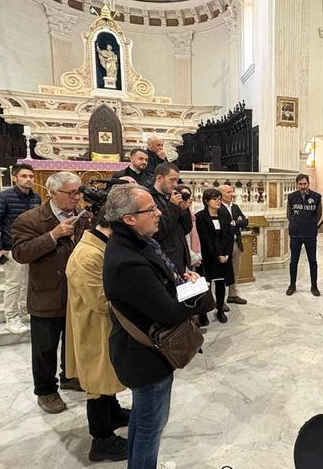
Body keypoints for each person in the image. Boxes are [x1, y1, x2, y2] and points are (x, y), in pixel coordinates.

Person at [103, 184, 200, 468]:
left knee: (143, 421)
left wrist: (178, 279)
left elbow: (158, 286)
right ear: (129, 218)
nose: (159, 212)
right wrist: (195, 292)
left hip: (143, 352)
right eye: (151, 209)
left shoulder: (138, 243)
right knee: (150, 428)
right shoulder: (127, 260)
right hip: (144, 357)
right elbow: (169, 312)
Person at [11, 171, 92, 414]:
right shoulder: (30, 219)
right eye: (72, 193)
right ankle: (45, 391)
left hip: (77, 292)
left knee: (74, 341)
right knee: (45, 348)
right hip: (47, 294)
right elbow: (21, 253)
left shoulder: (84, 217)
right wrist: (53, 235)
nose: (77, 197)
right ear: (53, 193)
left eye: (79, 192)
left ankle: (70, 376)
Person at [65, 210, 130, 462]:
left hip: (103, 325)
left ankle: (112, 413)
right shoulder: (87, 255)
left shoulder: (101, 245)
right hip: (93, 326)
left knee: (106, 377)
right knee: (97, 381)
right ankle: (101, 438)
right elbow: (101, 300)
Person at [0, 163, 41, 334]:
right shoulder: (3, 196)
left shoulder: (36, 197)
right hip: (12, 247)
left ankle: (24, 311)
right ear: (15, 178)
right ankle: (11, 317)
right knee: (14, 284)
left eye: (31, 176)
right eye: (24, 176)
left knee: (28, 282)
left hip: (30, 246)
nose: (29, 179)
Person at [197, 188, 236, 324]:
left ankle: (219, 310)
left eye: (219, 199)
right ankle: (202, 313)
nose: (218, 201)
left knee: (221, 285)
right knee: (204, 286)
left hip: (223, 256)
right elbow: (205, 239)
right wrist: (217, 254)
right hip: (208, 256)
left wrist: (226, 254)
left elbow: (228, 237)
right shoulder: (200, 217)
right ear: (207, 201)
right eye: (215, 199)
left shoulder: (224, 215)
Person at [150, 162, 192, 272]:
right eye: (172, 180)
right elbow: (157, 232)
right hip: (164, 259)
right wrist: (173, 207)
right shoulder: (149, 198)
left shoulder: (172, 197)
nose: (175, 184)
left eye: (177, 180)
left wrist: (185, 210)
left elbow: (186, 229)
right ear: (159, 178)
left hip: (180, 258)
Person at [286, 174, 322, 296]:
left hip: (310, 234)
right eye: (300, 184)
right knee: (293, 261)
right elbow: (289, 214)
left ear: (308, 184)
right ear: (297, 185)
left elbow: (318, 214)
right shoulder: (291, 197)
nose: (303, 186)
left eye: (304, 184)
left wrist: (309, 224)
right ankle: (292, 284)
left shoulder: (316, 197)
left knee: (313, 261)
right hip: (295, 234)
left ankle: (314, 286)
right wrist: (297, 223)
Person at [220, 183, 249, 305]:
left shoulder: (235, 207)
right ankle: (220, 300)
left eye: (232, 192)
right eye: (228, 192)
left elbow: (245, 221)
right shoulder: (218, 208)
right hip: (224, 245)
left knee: (236, 270)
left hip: (237, 243)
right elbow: (224, 227)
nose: (231, 194)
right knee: (223, 272)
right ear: (221, 194)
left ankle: (232, 295)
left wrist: (234, 223)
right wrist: (235, 223)